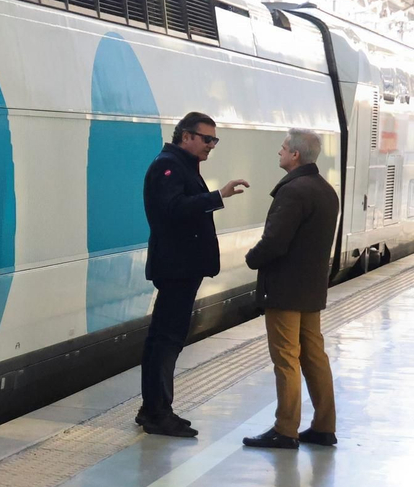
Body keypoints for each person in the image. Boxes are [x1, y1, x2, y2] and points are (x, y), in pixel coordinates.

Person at [138, 112, 248, 437]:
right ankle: (157, 413)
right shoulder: (167, 166)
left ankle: (155, 408)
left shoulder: (181, 165)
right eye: (207, 139)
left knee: (166, 337)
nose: (211, 146)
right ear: (186, 136)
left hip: (181, 267)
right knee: (166, 338)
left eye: (215, 140)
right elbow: (172, 209)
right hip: (176, 268)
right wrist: (218, 196)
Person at [241, 129, 340, 450]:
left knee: (286, 358)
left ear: (295, 155)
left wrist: (252, 258)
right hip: (312, 290)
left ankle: (285, 429)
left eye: (283, 148)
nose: (279, 152)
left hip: (285, 290)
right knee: (314, 356)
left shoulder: (293, 191)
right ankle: (324, 426)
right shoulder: (325, 190)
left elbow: (275, 241)